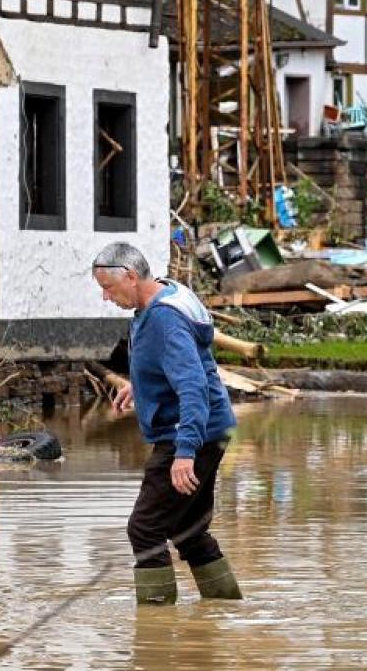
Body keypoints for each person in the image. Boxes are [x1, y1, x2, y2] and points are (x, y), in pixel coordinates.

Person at [91, 242, 241, 605]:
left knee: (145, 528)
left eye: (108, 288)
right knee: (187, 530)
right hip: (210, 428)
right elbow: (174, 365)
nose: (106, 297)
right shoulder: (160, 296)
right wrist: (140, 389)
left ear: (130, 276)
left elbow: (193, 386)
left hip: (190, 434)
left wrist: (185, 451)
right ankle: (224, 608)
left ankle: (155, 626)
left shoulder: (164, 318)